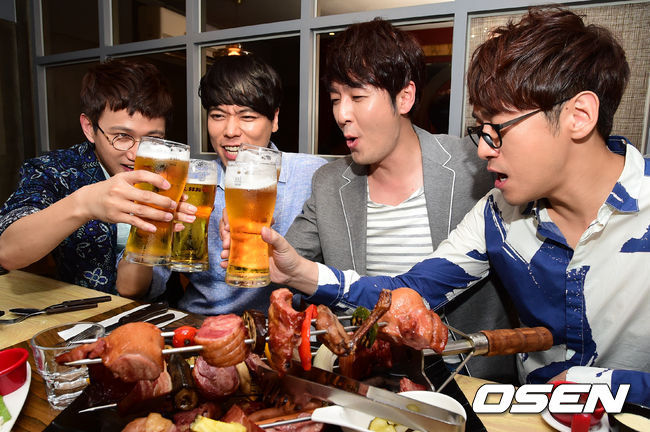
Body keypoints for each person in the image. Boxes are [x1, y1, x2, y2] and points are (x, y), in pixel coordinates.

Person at [239, 8, 650, 405]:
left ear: (580, 116)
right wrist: (302, 272)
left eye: (498, 128)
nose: (484, 150)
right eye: (480, 128)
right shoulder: (497, 215)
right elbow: (412, 293)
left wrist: (605, 388)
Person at [281, 18, 516, 382]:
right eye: (335, 99)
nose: (342, 114)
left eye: (358, 97)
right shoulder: (329, 183)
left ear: (404, 97)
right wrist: (257, 255)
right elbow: (288, 268)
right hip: (368, 381)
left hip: (467, 380)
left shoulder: (476, 165)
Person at [117, 54, 327, 315]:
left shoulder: (312, 175)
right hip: (198, 323)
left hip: (282, 327)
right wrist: (149, 220)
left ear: (274, 119)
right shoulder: (188, 180)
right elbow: (131, 288)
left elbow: (338, 277)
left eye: (247, 116)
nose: (230, 130)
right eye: (217, 115)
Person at [0, 59, 190, 293]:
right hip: (77, 309)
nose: (136, 155)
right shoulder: (56, 170)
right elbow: (7, 251)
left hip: (157, 308)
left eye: (153, 139)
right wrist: (85, 204)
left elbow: (136, 289)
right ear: (89, 128)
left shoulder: (172, 174)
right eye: (122, 136)